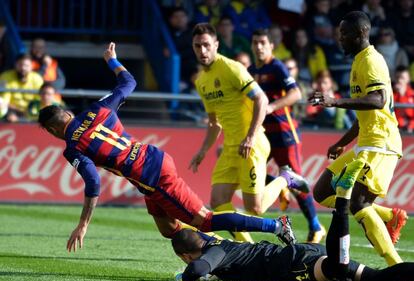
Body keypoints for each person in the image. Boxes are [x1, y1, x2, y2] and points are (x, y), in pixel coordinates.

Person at [38, 42, 300, 252]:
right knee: (169, 229)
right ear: (67, 114)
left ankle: (276, 225)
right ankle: (208, 257)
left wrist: (83, 224)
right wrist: (112, 61)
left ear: (51, 131)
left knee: (207, 221)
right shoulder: (98, 109)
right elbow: (128, 83)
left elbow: (93, 183)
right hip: (151, 165)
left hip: (153, 176)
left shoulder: (73, 147)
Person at [189, 23, 309, 243]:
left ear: (216, 44)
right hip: (231, 147)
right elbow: (215, 123)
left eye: (206, 45)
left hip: (251, 143)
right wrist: (202, 151)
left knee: (255, 208)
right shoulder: (202, 82)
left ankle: (286, 178)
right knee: (218, 201)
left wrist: (251, 137)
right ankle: (248, 248)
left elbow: (261, 99)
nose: (202, 51)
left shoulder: (232, 68)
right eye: (198, 46)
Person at [309, 11, 407, 267]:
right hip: (366, 140)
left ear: (361, 34)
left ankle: (397, 267)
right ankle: (390, 217)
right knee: (321, 191)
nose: (340, 38)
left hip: (381, 143)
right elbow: (364, 112)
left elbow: (379, 100)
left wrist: (334, 101)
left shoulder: (371, 61)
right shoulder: (358, 61)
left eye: (345, 34)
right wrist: (343, 141)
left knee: (359, 204)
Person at [172, 206, 414, 281]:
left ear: (185, 255)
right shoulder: (216, 244)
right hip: (303, 252)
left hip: (296, 265)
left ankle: (342, 204)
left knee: (337, 267)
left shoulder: (214, 253)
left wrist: (183, 277)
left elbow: (196, 270)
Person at [248, 29, 325, 243]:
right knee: (252, 171)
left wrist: (271, 107)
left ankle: (316, 226)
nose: (259, 46)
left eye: (263, 42)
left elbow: (296, 93)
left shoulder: (277, 67)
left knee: (297, 180)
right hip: (263, 135)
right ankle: (282, 185)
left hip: (284, 134)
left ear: (271, 45)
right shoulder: (250, 70)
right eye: (255, 42)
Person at [0, 54, 43, 123]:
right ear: (15, 65)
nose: (23, 68)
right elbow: (4, 101)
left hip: (32, 112)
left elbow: (40, 100)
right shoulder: (5, 77)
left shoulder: (37, 78)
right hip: (11, 112)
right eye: (20, 64)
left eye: (26, 65)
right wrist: (11, 113)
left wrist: (30, 113)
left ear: (31, 66)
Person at [393, 65, 414, 133]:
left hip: (410, 131)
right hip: (395, 130)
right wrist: (400, 95)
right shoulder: (390, 95)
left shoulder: (412, 95)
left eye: (402, 78)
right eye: (397, 77)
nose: (399, 80)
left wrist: (410, 126)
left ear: (408, 79)